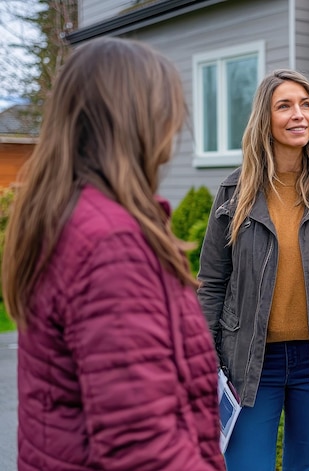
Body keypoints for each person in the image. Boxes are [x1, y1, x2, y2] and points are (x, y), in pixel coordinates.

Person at [2, 37, 225, 471]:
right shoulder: (111, 244)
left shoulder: (67, 215)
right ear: (136, 120)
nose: (173, 128)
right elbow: (143, 446)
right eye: (167, 112)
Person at [197, 69, 309, 471]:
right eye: (285, 106)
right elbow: (212, 283)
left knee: (305, 467)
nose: (299, 115)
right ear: (266, 118)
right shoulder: (234, 192)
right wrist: (203, 360)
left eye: (306, 104)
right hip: (248, 360)